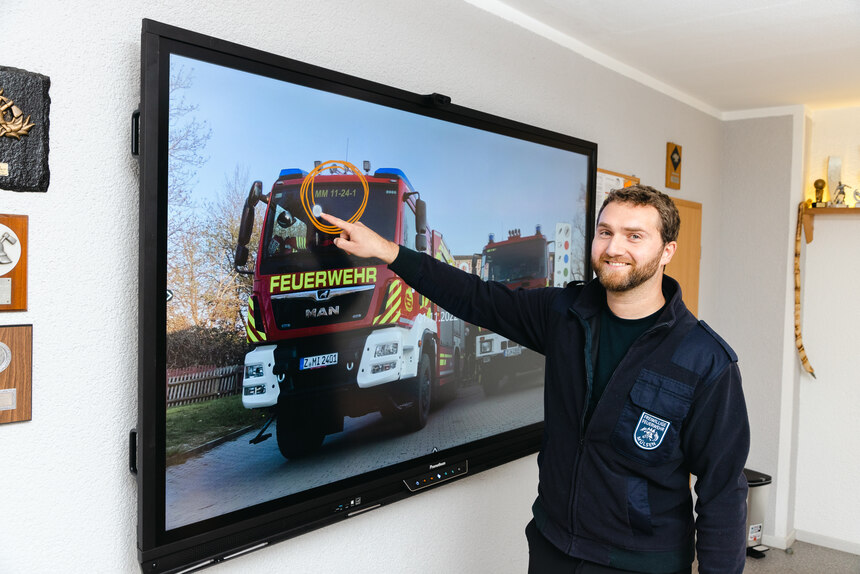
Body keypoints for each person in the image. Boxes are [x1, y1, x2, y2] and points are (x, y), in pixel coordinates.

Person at [321, 185, 750, 574]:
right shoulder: (563, 314)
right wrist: (388, 251)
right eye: (605, 232)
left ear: (667, 251)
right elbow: (475, 298)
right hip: (552, 548)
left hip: (639, 564)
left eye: (635, 236)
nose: (614, 247)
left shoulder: (706, 361)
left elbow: (723, 495)